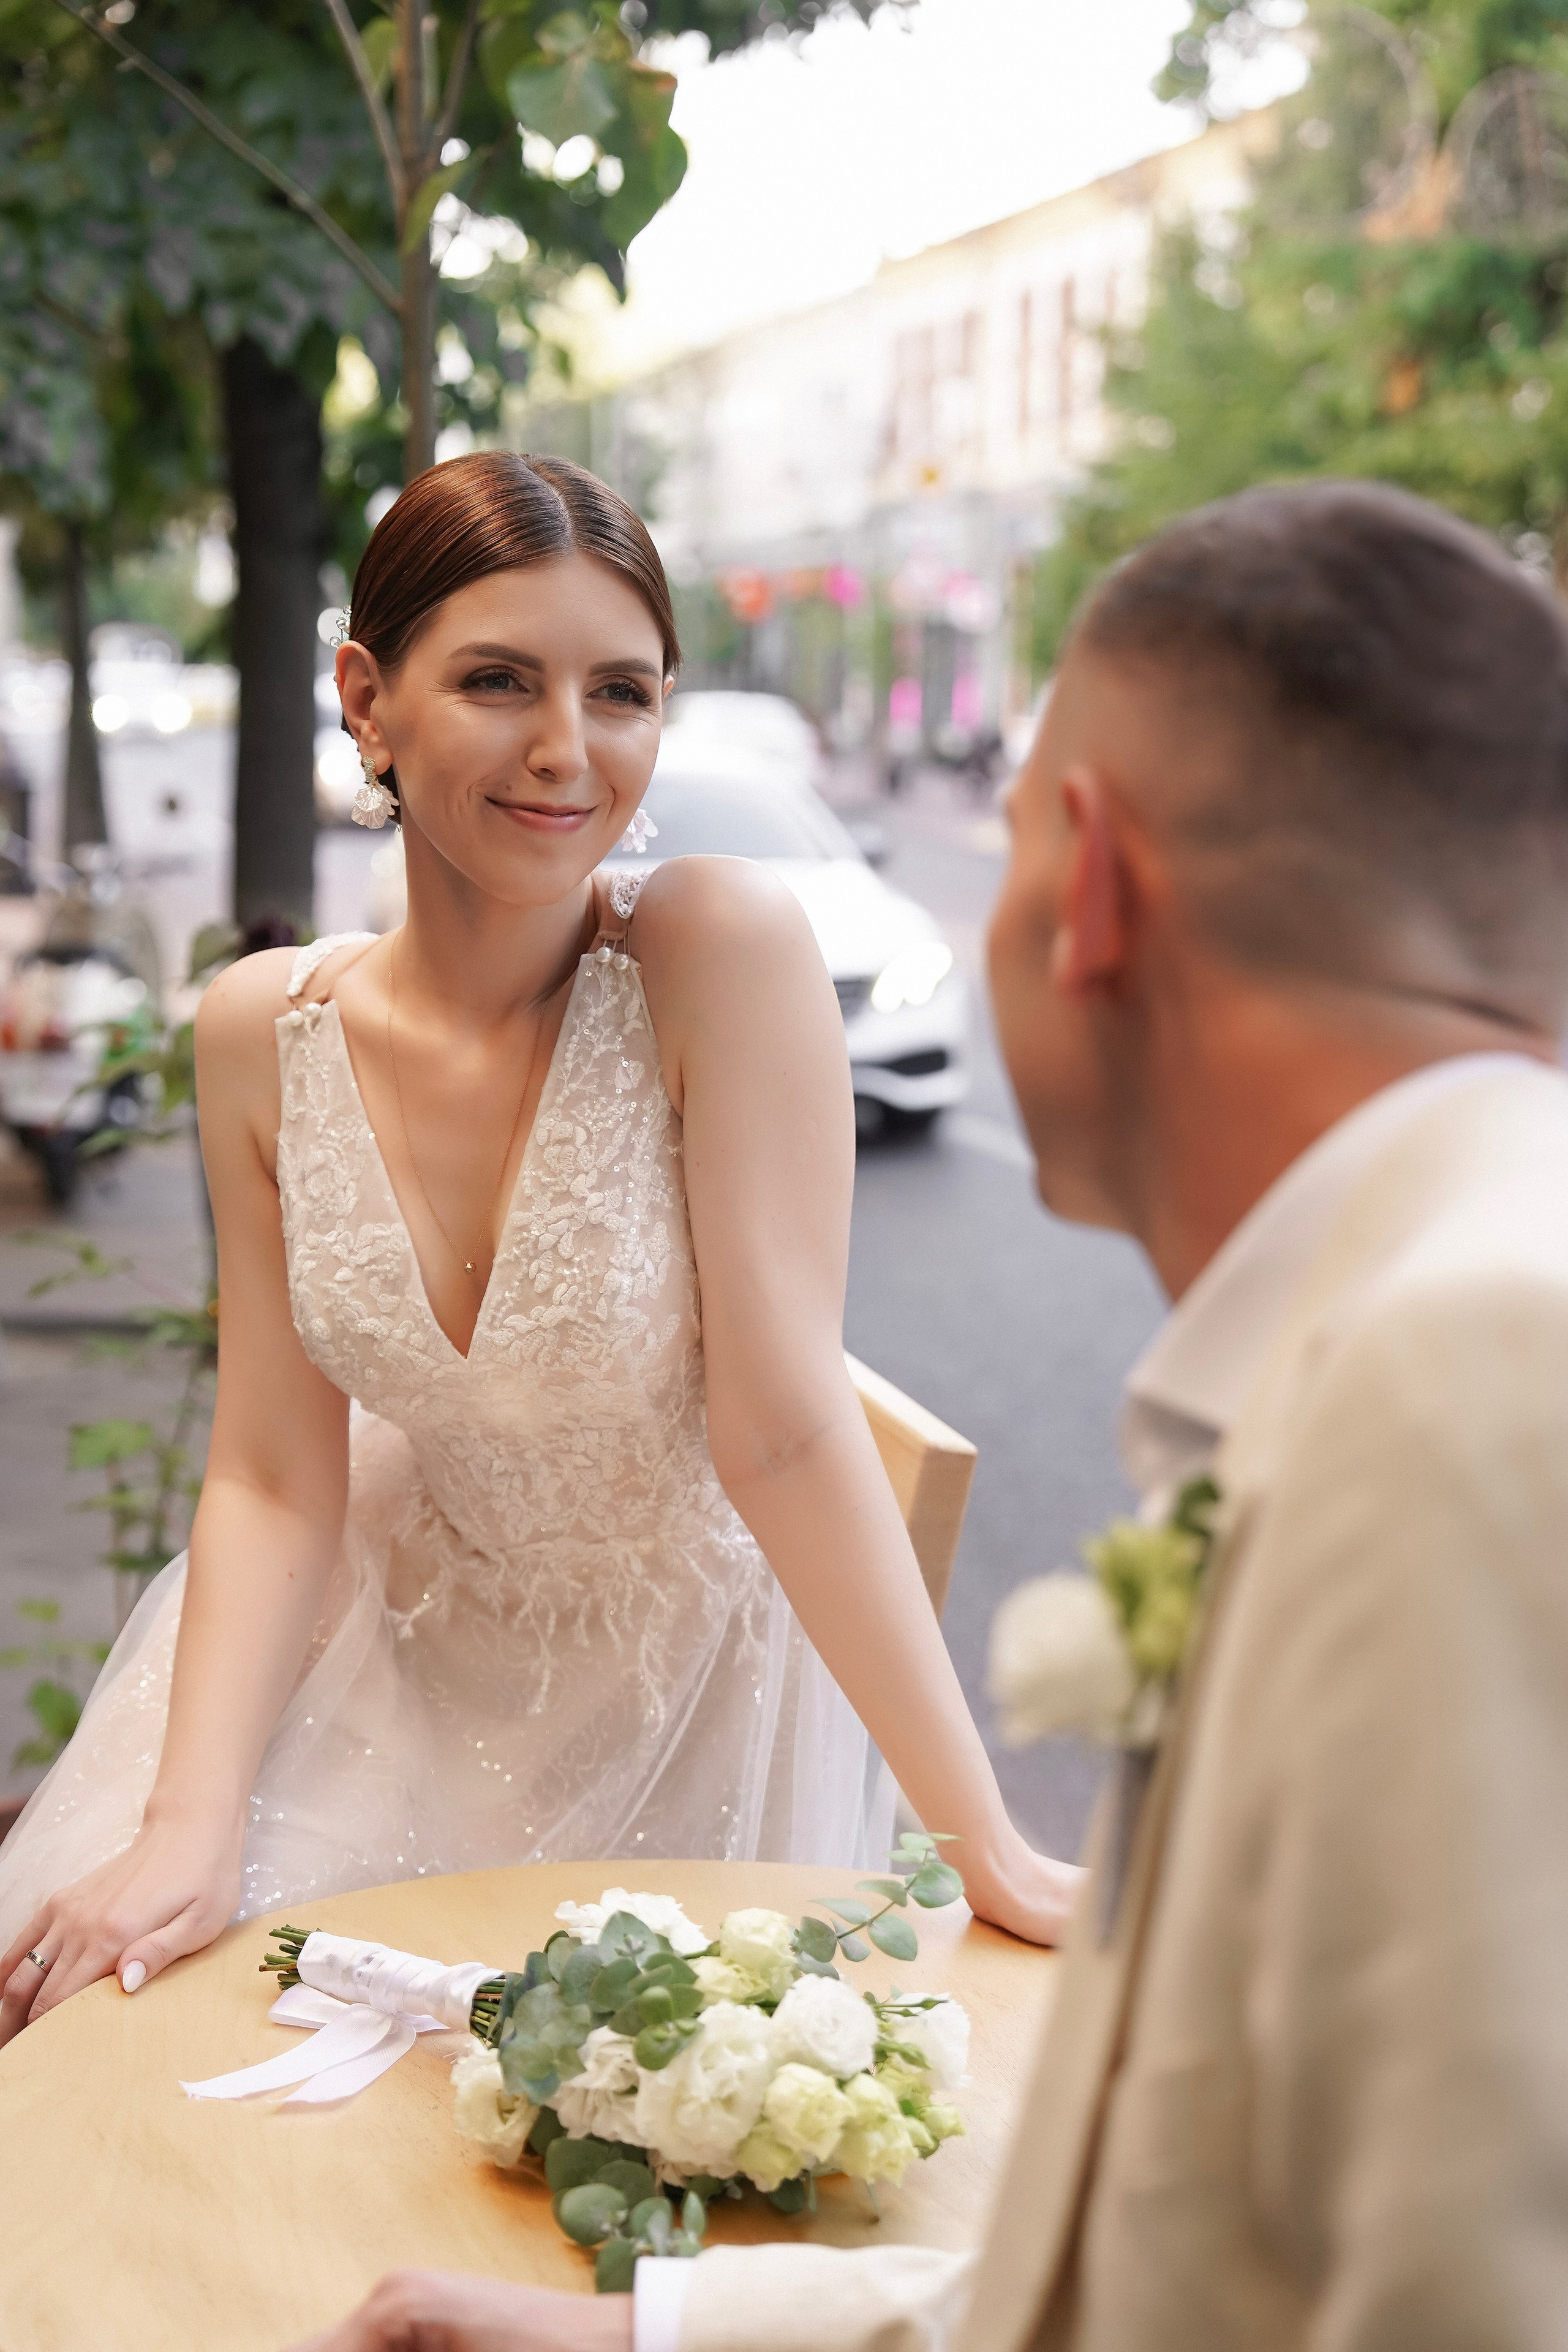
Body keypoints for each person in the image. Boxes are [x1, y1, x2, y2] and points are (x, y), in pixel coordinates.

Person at [290, 476, 1568, 2352]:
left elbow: (1458, 2293)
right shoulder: (1447, 1307)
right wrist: (654, 2335)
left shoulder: (1469, 1384)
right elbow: (1234, 2224)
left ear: (1090, 880)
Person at [0, 452, 1072, 2040]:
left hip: (684, 1701)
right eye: (499, 680)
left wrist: (978, 1841)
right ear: (368, 699)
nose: (569, 750)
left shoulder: (718, 948)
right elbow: (275, 1476)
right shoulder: (258, 1030)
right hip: (394, 1646)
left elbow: (782, 1431)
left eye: (622, 692)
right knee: (116, 2006)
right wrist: (190, 1816)